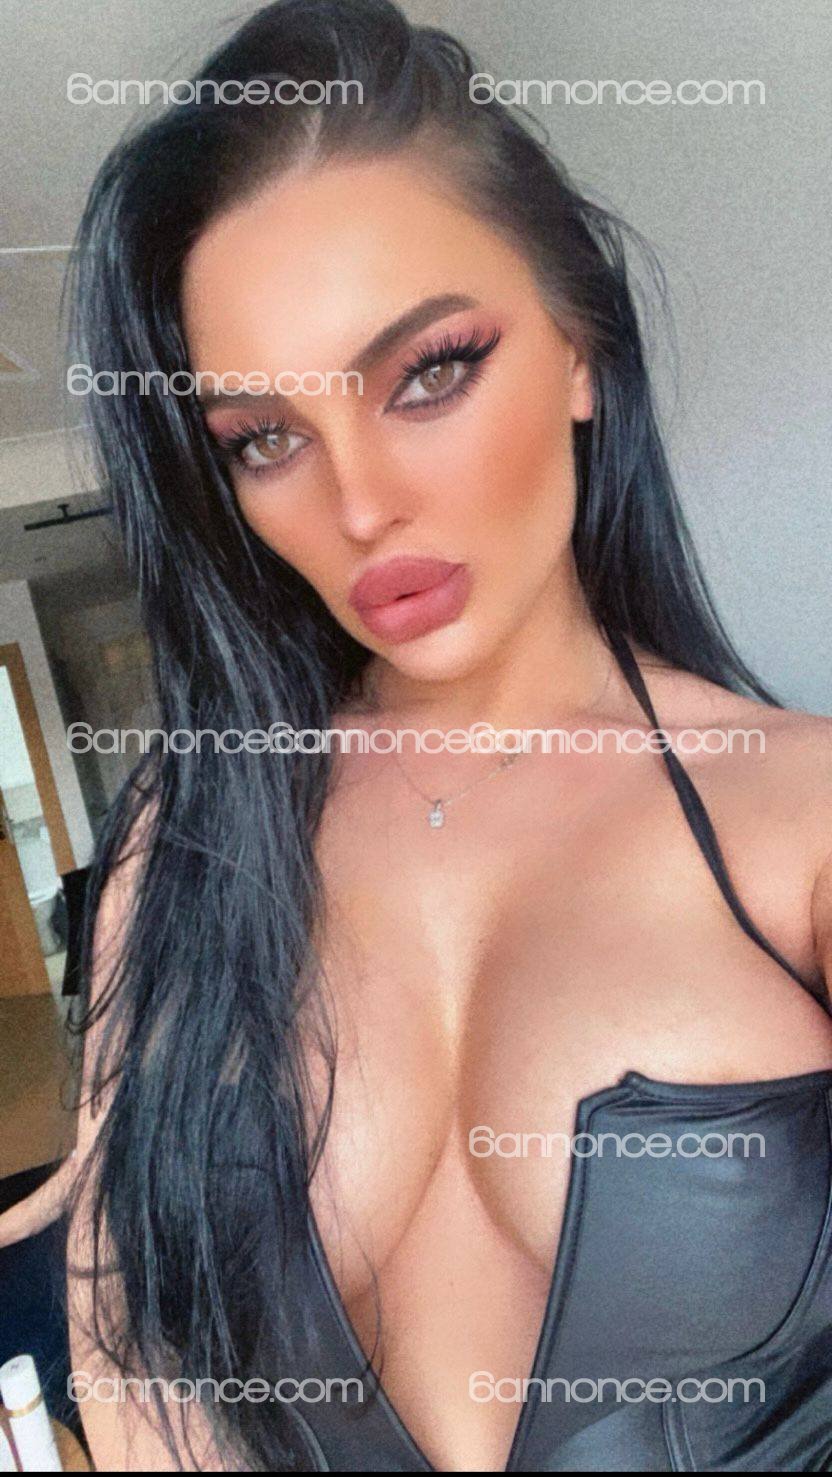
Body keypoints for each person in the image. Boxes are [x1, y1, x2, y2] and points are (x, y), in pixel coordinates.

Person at [60, 0, 832, 1470]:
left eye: (429, 371)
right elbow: (136, 1368)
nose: (360, 505)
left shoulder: (800, 816)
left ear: (582, 349)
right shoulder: (197, 827)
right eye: (265, 438)